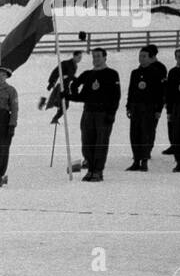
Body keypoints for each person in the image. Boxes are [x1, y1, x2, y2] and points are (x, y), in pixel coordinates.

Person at [71, 47, 121, 181]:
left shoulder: (111, 74)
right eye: (94, 56)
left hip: (103, 113)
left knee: (101, 143)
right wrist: (68, 94)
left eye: (98, 56)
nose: (95, 59)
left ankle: (98, 171)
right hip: (88, 112)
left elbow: (115, 96)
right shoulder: (88, 74)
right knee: (87, 142)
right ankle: (90, 169)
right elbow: (81, 95)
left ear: (105, 58)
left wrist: (111, 113)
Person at [125, 45, 165, 171]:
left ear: (150, 58)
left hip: (149, 108)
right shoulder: (135, 73)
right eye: (140, 56)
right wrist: (128, 106)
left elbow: (160, 93)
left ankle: (144, 160)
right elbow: (131, 90)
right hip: (136, 107)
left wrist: (158, 109)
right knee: (135, 134)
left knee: (146, 134)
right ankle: (136, 160)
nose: (141, 59)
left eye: (144, 56)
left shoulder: (156, 72)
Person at [43, 50, 82, 124]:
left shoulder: (74, 65)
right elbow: (56, 71)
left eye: (81, 57)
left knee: (64, 105)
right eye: (79, 57)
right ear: (74, 56)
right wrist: (51, 82)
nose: (80, 59)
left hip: (66, 86)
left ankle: (50, 106)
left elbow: (70, 76)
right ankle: (52, 112)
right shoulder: (66, 63)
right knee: (65, 105)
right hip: (61, 86)